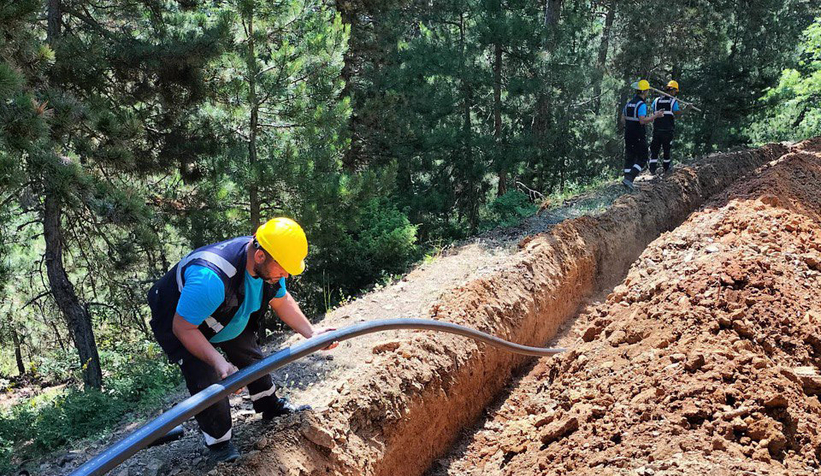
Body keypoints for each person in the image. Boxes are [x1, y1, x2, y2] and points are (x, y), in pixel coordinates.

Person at [148, 217, 336, 463]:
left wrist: (312, 334)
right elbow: (184, 328)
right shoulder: (210, 280)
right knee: (206, 378)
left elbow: (281, 300)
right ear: (260, 256)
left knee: (249, 352)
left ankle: (270, 406)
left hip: (224, 308)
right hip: (181, 319)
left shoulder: (268, 264)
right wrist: (219, 363)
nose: (286, 274)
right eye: (283, 268)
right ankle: (219, 444)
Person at [621, 79, 664, 190]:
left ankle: (626, 180)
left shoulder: (628, 104)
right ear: (644, 92)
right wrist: (656, 116)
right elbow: (642, 120)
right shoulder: (641, 105)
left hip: (628, 133)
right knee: (643, 157)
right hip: (638, 134)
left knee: (629, 157)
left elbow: (622, 120)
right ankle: (630, 178)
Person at [649, 80, 689, 174]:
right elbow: (677, 114)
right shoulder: (673, 101)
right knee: (666, 150)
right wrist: (687, 109)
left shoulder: (656, 100)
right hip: (667, 131)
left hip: (657, 130)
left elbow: (652, 110)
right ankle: (666, 169)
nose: (675, 93)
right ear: (673, 90)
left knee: (654, 150)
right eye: (675, 91)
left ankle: (652, 169)